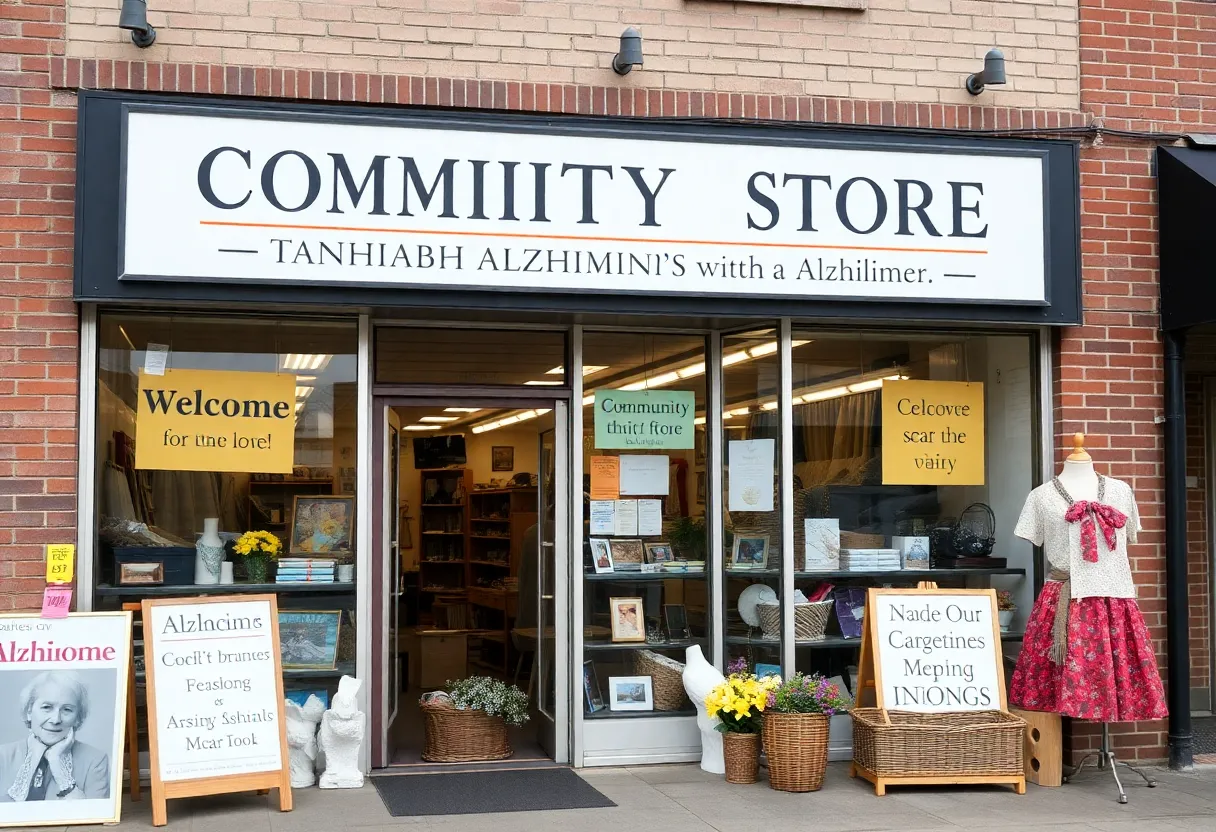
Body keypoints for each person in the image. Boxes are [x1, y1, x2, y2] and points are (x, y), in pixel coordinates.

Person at [0, 671, 110, 802]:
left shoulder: (95, 760)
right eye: (47, 707)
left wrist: (58, 766)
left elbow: (94, 815)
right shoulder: (3, 755)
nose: (56, 719)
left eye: (67, 710)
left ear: (78, 718)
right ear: (29, 711)